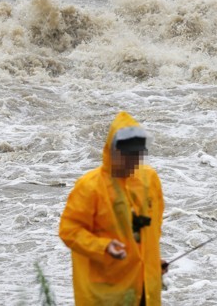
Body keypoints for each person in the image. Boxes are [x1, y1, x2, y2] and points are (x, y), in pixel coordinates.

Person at [59, 111, 167, 306]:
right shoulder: (89, 186)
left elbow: (152, 228)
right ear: (112, 151)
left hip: (145, 289)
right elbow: (69, 231)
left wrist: (152, 261)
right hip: (105, 293)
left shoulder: (149, 180)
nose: (133, 162)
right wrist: (104, 246)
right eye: (127, 156)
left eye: (137, 155)